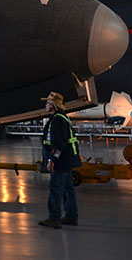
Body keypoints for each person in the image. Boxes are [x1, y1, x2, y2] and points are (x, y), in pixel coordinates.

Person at [38, 91, 80, 229]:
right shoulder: (62, 117)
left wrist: (52, 160)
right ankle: (71, 216)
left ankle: (54, 218)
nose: (45, 105)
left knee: (56, 188)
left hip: (61, 160)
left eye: (48, 103)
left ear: (53, 105)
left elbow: (58, 143)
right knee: (68, 188)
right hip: (67, 159)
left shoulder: (56, 120)